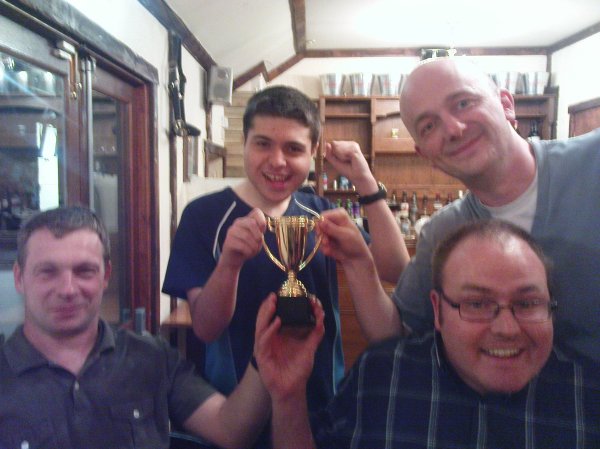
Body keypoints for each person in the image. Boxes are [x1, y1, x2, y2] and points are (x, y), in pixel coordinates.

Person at [161, 84, 405, 423]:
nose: (277, 161)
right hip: (236, 412)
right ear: (245, 142)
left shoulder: (322, 212)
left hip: (320, 402)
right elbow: (205, 329)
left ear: (313, 151)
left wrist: (365, 182)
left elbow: (395, 268)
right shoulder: (203, 215)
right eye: (263, 143)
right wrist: (229, 264)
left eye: (293, 148)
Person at [256, 217, 600, 448]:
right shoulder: (381, 376)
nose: (507, 329)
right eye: (477, 304)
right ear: (437, 310)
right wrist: (287, 396)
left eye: (527, 303)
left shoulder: (588, 396)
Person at [382, 56, 600, 363]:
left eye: (463, 103)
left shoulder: (593, 162)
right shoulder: (444, 232)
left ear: (506, 104)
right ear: (424, 154)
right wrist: (357, 261)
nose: (454, 128)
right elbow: (400, 334)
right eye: (429, 126)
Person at [0, 206, 270, 449]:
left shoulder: (152, 357)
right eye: (48, 272)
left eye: (84, 271)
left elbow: (230, 430)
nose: (67, 289)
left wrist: (264, 357)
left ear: (106, 276)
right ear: (19, 278)